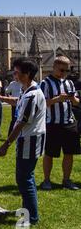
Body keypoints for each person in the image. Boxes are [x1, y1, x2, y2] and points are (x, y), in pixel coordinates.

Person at [0, 58, 46, 225]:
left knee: (25, 178)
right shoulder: (27, 90)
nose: (14, 74)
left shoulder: (32, 95)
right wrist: (1, 97)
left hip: (30, 140)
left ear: (27, 73)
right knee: (24, 177)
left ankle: (32, 217)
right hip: (29, 139)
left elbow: (21, 122)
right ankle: (28, 210)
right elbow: (17, 101)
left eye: (16, 71)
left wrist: (6, 144)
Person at [39, 56, 80, 191]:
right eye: (62, 70)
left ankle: (66, 180)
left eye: (67, 70)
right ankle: (46, 180)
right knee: (49, 154)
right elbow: (42, 103)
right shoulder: (45, 83)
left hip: (69, 123)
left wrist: (73, 99)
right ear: (54, 67)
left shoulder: (69, 83)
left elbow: (76, 103)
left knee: (69, 153)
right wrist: (58, 99)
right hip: (52, 124)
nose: (64, 73)